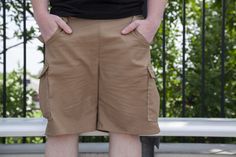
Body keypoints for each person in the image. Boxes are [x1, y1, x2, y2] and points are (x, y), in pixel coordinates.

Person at [31, 0, 168, 156]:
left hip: (127, 27)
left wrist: (153, 21)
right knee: (61, 129)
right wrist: (41, 15)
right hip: (66, 28)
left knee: (127, 129)